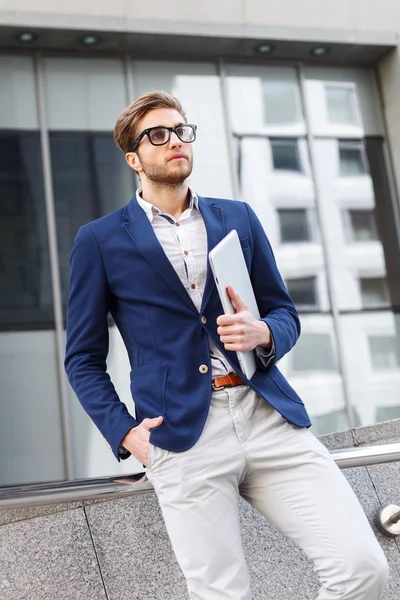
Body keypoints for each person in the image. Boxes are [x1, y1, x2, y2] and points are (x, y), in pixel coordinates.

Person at [65, 91, 389, 600]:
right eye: (158, 134)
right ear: (133, 158)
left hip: (268, 417)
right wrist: (127, 433)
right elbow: (82, 359)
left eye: (180, 130)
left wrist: (264, 334)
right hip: (181, 434)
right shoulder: (100, 240)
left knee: (363, 568)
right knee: (221, 594)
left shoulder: (236, 216)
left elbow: (283, 312)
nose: (175, 140)